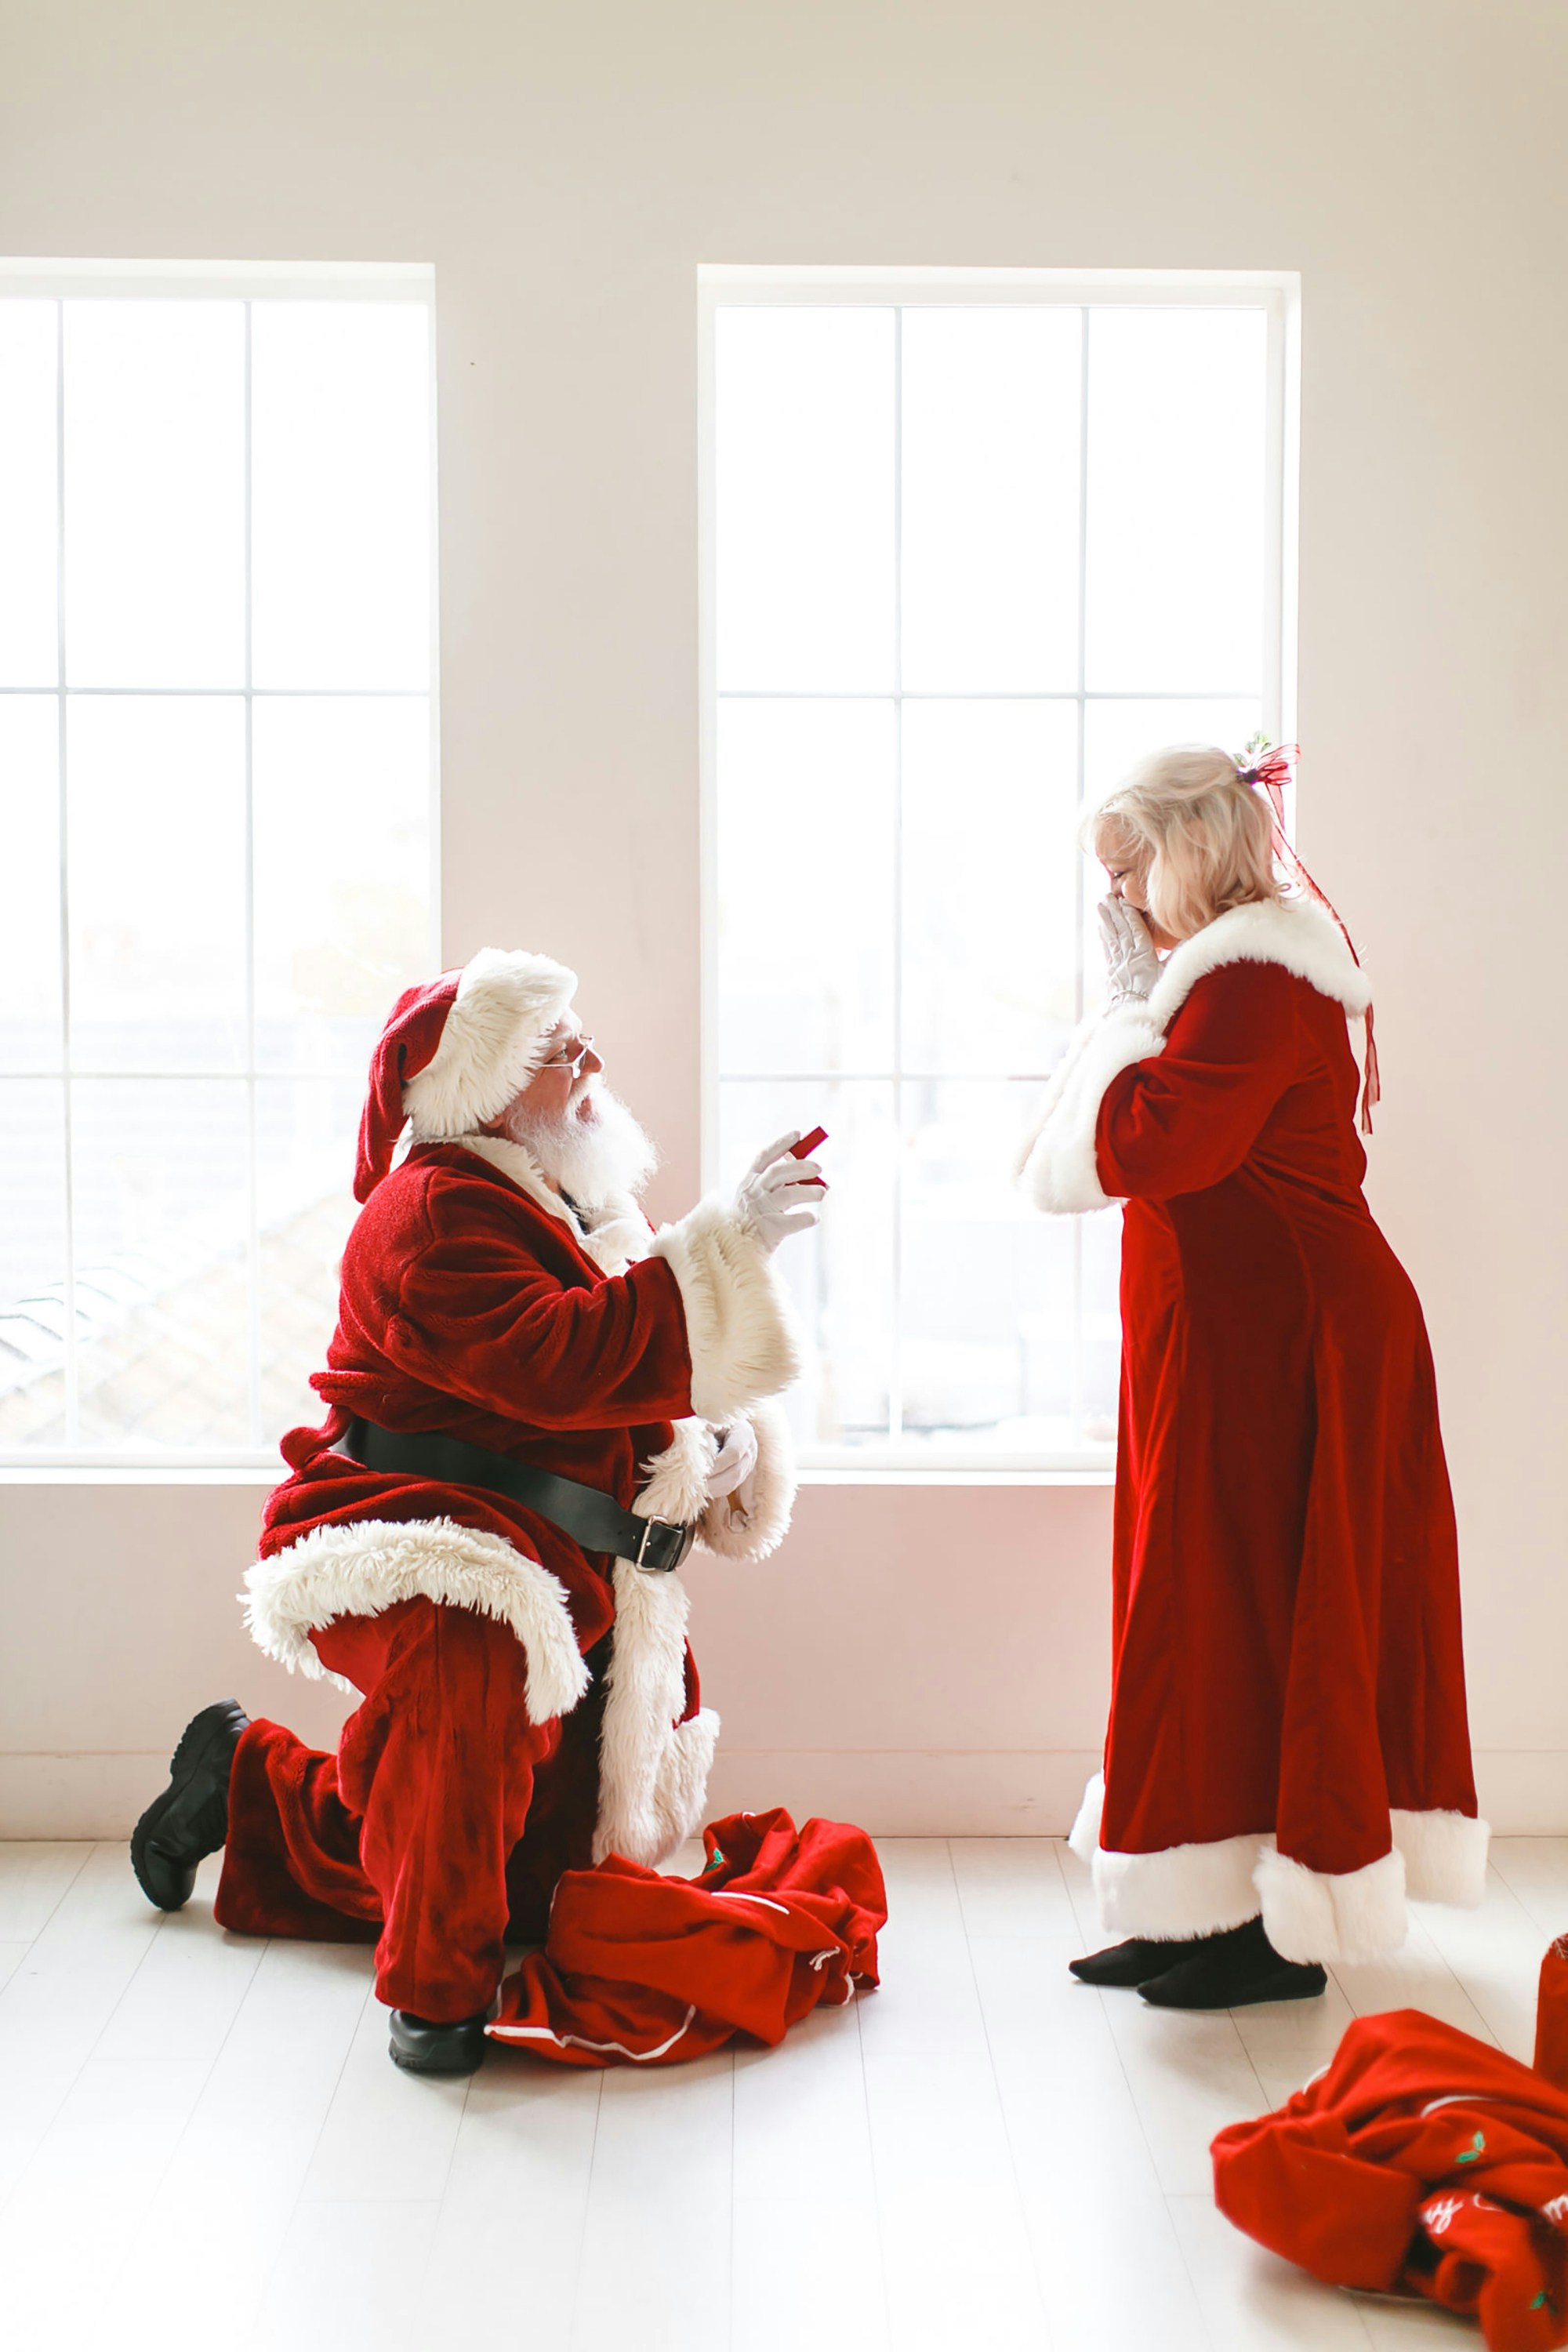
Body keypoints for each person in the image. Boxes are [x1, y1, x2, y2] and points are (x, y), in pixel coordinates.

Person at [130, 946, 823, 2074]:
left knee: (522, 1877)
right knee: (472, 1664)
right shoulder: (432, 1213)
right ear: (481, 1091)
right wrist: (729, 1238)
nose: (591, 1058)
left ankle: (245, 1779)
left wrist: (721, 1446)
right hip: (418, 1536)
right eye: (557, 1051)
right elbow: (564, 1360)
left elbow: (636, 1391)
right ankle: (434, 1998)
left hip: (559, 1548)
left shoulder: (580, 1200)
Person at [1018, 743, 1485, 2009]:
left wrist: (1126, 1015)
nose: (1115, 900)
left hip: (1293, 1342)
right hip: (1229, 1336)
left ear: (1189, 847)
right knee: (1193, 1600)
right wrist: (1138, 1001)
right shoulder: (1225, 971)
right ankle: (1189, 1899)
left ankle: (1268, 1932)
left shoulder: (1256, 976)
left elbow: (1153, 1146)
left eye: (1128, 871)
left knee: (1251, 1608)